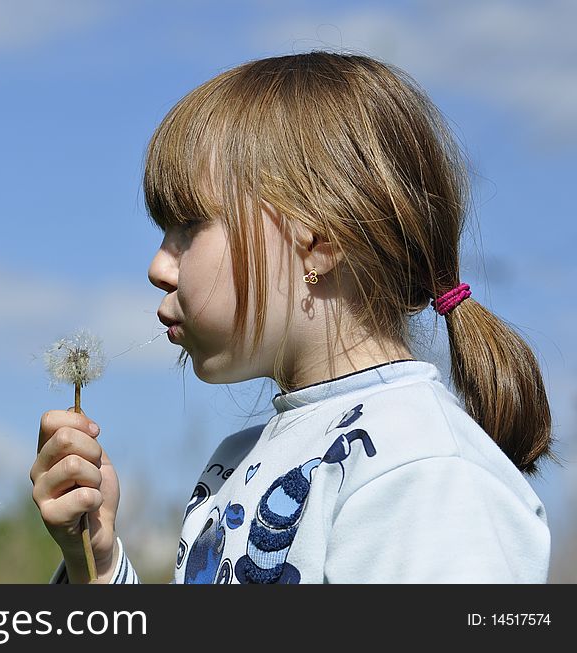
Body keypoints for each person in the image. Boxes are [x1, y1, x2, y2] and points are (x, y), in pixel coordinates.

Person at [29, 51, 558, 583]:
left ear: (319, 243)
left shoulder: (424, 470)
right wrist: (95, 563)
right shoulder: (233, 461)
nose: (157, 267)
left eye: (188, 226)